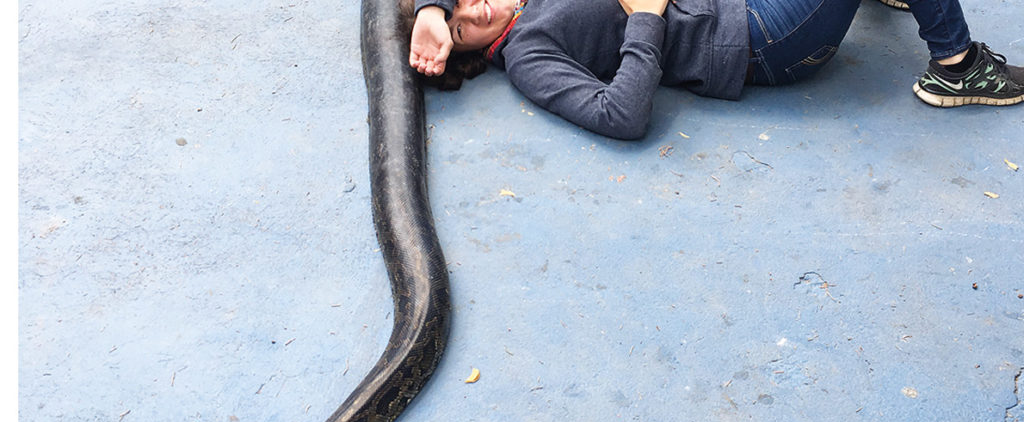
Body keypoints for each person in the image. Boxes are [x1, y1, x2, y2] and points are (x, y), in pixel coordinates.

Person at [404, 0, 1024, 139]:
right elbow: (618, 116)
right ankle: (957, 65)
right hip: (757, 39)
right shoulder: (527, 56)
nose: (476, 10)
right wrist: (646, 16)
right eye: (462, 26)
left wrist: (431, 6)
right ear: (475, 52)